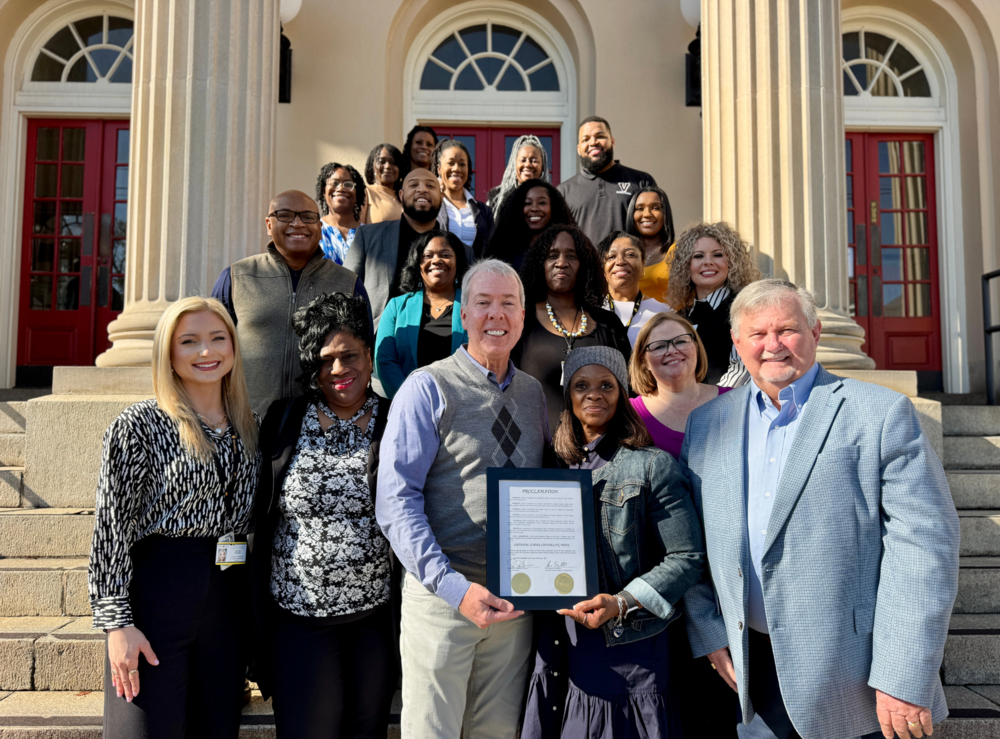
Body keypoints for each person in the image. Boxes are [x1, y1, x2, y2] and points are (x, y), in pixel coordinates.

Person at [682, 279, 960, 739]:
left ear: (815, 332)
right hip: (751, 675)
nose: (773, 345)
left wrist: (901, 676)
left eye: (787, 330)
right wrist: (710, 632)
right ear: (736, 342)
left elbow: (924, 550)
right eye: (757, 334)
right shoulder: (708, 422)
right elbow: (692, 540)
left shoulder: (881, 413)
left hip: (857, 681)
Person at [376, 260, 549, 739]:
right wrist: (453, 588)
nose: (497, 314)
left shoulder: (533, 394)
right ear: (464, 315)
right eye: (484, 303)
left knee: (497, 733)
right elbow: (396, 502)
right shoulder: (427, 387)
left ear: (522, 317)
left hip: (513, 606)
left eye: (508, 303)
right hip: (443, 602)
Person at [89, 296, 261, 738]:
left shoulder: (251, 426)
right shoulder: (139, 425)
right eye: (189, 341)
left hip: (227, 597)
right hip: (158, 592)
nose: (206, 351)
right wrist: (117, 625)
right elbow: (111, 529)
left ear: (234, 346)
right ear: (168, 351)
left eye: (218, 338)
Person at [521, 346, 705, 739]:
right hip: (560, 642)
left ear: (622, 392)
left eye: (606, 385)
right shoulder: (547, 466)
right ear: (568, 395)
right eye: (581, 385)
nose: (594, 394)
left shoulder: (652, 465)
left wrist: (621, 602)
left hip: (629, 646)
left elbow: (686, 557)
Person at [251, 292, 397, 739]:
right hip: (299, 620)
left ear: (368, 356)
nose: (338, 369)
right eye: (325, 360)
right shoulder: (284, 420)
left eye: (349, 355)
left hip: (373, 621)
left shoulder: (395, 421)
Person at [628, 312, 740, 738]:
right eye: (657, 345)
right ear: (643, 359)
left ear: (696, 347)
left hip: (729, 576)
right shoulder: (631, 416)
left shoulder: (737, 403)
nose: (671, 351)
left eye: (680, 340)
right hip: (663, 578)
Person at [211, 190, 369, 415]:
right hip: (246, 420)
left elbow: (363, 356)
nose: (297, 223)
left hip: (321, 424)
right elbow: (212, 349)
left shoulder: (348, 284)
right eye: (285, 215)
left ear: (320, 227)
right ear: (269, 225)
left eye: (308, 217)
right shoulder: (237, 278)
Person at [511, 224, 631, 434]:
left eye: (571, 256)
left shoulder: (608, 324)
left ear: (584, 264)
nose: (561, 263)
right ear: (540, 264)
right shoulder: (520, 322)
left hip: (603, 447)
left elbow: (629, 390)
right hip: (538, 446)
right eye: (552, 256)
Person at [375, 230, 470, 398]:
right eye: (428, 256)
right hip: (409, 402)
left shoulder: (474, 306)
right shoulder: (396, 307)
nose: (436, 260)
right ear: (418, 263)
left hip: (462, 403)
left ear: (458, 262)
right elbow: (385, 360)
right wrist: (413, 399)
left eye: (445, 255)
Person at [344, 168, 443, 331]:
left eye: (430, 186)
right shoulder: (368, 236)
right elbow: (345, 289)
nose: (422, 189)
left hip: (438, 339)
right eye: (414, 185)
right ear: (401, 195)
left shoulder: (461, 251)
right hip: (378, 337)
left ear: (441, 197)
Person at [666, 221, 762, 387]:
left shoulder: (745, 309)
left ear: (732, 262)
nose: (708, 262)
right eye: (698, 256)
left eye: (717, 255)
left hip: (725, 399)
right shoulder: (678, 318)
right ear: (685, 265)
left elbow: (743, 368)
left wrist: (712, 399)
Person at [558, 116, 668, 245]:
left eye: (600, 136)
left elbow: (658, 230)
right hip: (585, 259)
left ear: (612, 142)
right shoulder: (563, 192)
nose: (593, 142)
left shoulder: (641, 181)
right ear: (578, 149)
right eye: (586, 139)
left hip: (631, 258)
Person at [598, 231, 673, 346]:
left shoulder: (663, 313)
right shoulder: (590, 312)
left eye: (630, 255)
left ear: (643, 265)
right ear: (603, 269)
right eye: (611, 257)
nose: (620, 262)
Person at [484, 178, 575, 271]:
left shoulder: (568, 246)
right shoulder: (504, 250)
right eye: (528, 203)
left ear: (554, 207)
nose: (534, 208)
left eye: (542, 203)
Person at [433, 138, 494, 260]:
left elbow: (492, 250)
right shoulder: (432, 207)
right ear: (439, 169)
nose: (456, 168)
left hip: (475, 271)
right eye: (450, 163)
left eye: (462, 164)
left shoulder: (484, 212)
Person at [626, 186, 675, 302]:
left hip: (671, 313)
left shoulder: (680, 250)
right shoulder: (619, 253)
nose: (647, 214)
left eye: (656, 208)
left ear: (665, 214)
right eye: (640, 208)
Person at [316, 163, 366, 265]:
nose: (340, 188)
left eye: (348, 184)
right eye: (334, 183)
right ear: (324, 191)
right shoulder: (314, 230)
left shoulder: (368, 234)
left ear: (357, 193)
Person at [485, 134, 548, 215]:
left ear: (542, 166)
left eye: (534, 161)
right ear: (514, 165)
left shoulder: (552, 199)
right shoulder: (496, 201)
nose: (528, 164)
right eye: (523, 160)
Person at [361, 142, 405, 224]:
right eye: (382, 161)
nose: (387, 166)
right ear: (372, 166)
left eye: (393, 162)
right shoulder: (365, 192)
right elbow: (357, 228)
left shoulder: (405, 196)